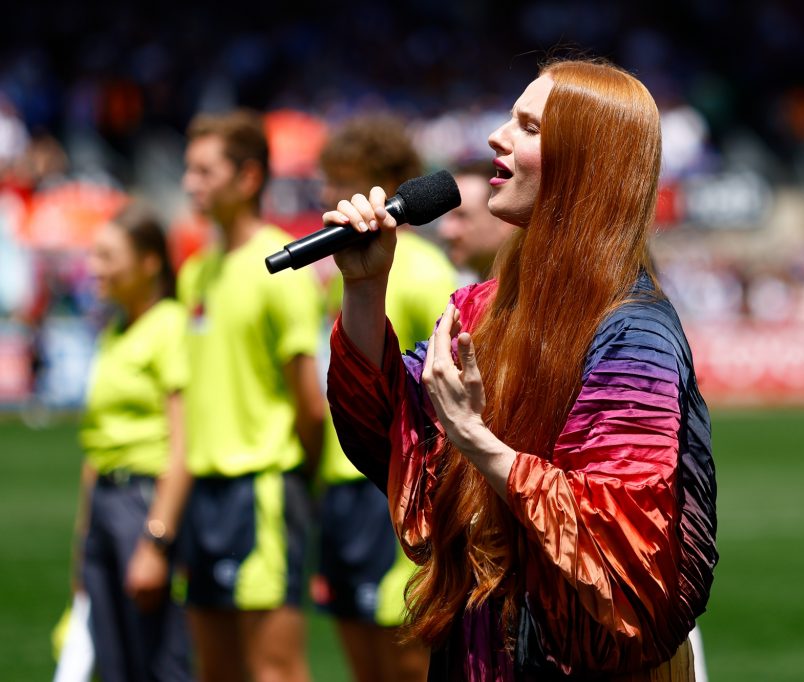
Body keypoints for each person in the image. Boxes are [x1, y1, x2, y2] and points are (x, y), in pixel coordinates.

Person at [323, 58, 717, 681]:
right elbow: (386, 436)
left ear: (585, 162)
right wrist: (366, 289)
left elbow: (621, 548)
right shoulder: (480, 306)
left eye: (528, 126)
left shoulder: (632, 332)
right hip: (482, 649)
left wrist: (478, 443)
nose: (496, 137)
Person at [177, 110, 323, 682]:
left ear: (248, 177)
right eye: (189, 170)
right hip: (202, 489)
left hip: (261, 490)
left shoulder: (281, 265)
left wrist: (291, 481)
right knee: (215, 670)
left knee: (274, 670)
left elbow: (309, 403)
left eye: (204, 170)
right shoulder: (197, 272)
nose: (191, 184)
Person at [314, 113, 456, 682]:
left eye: (340, 179)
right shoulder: (339, 270)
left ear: (379, 182)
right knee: (360, 659)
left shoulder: (422, 272)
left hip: (394, 490)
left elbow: (444, 386)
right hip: (342, 483)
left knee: (406, 656)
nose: (326, 193)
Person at [74, 202, 193, 681]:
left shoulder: (170, 326)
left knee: (159, 659)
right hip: (107, 501)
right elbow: (95, 446)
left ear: (149, 263)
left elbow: (184, 441)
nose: (94, 268)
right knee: (116, 662)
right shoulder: (116, 332)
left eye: (107, 256)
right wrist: (85, 539)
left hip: (144, 502)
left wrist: (156, 541)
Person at [437, 160, 517, 283]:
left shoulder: (539, 298)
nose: (446, 231)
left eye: (461, 216)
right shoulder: (464, 294)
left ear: (506, 219)